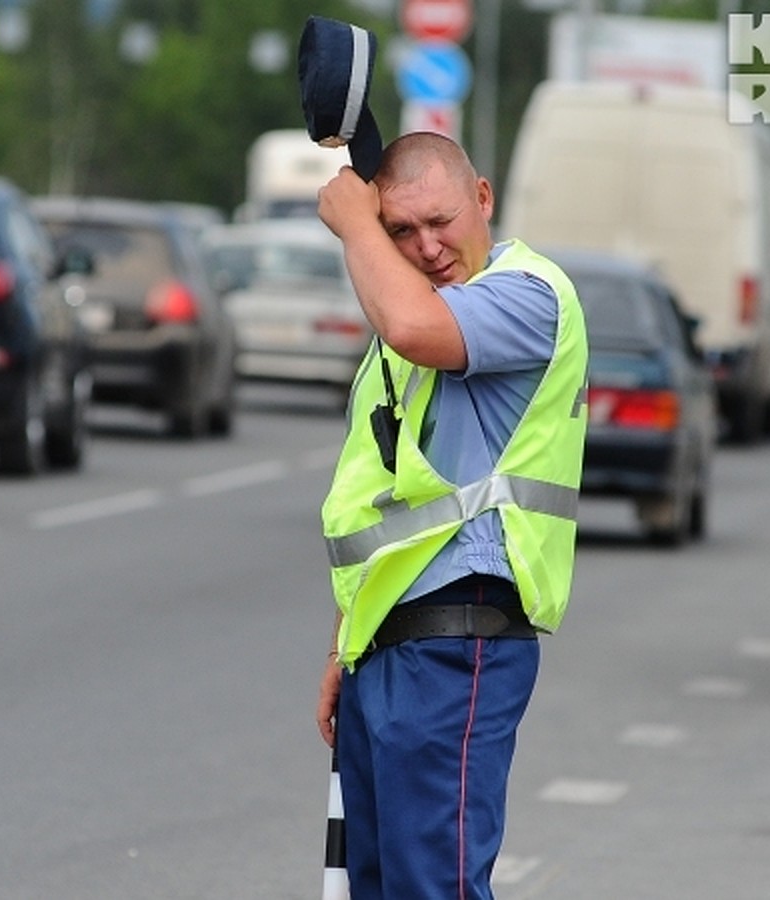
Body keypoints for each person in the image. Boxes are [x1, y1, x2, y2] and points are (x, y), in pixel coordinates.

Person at [313, 131, 589, 900]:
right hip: (392, 646)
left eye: (440, 221)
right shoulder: (415, 328)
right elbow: (392, 506)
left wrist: (358, 225)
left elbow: (410, 326)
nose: (427, 246)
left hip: (458, 643)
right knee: (383, 888)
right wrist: (345, 647)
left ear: (484, 199)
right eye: (402, 230)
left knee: (435, 888)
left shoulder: (526, 295)